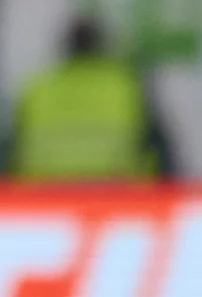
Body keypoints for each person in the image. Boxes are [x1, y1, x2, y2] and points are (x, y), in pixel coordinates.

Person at [10, 17, 173, 180]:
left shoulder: (36, 89)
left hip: (43, 196)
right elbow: (161, 153)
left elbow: (9, 154)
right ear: (103, 46)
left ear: (65, 47)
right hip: (116, 195)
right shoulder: (126, 87)